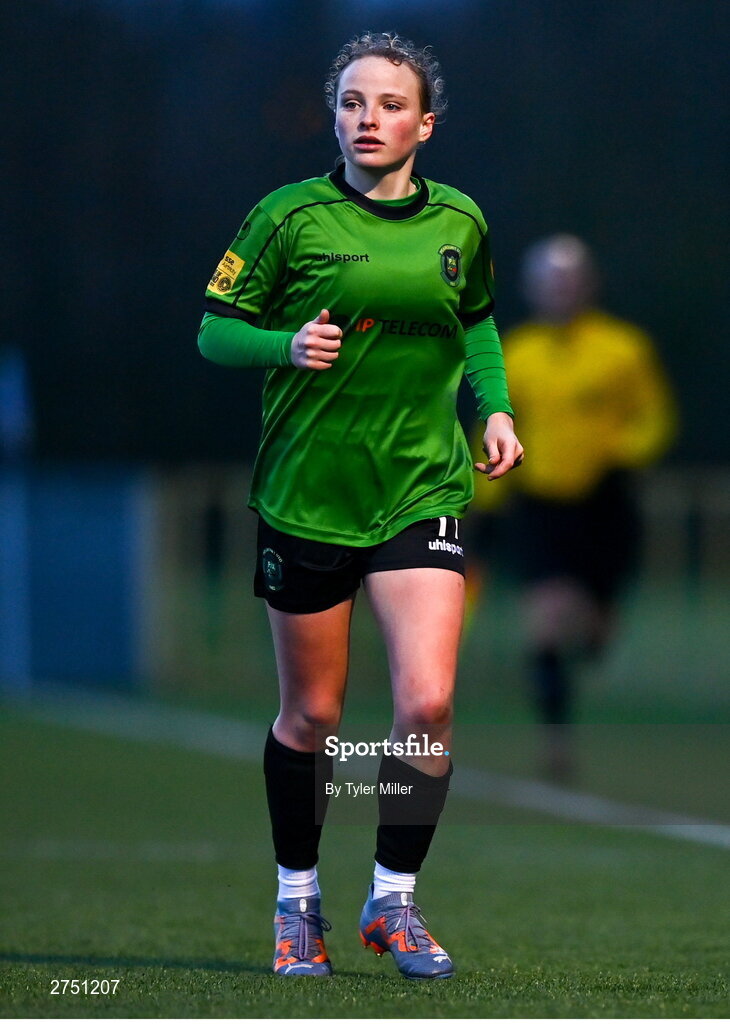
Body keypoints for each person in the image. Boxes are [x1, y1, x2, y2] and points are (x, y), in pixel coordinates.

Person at [198, 31, 523, 979]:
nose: (367, 119)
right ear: (333, 116)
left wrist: (496, 408)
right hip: (307, 494)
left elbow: (478, 321)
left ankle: (395, 901)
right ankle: (297, 905)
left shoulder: (460, 221)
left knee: (427, 701)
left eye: (388, 104)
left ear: (425, 122)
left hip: (422, 486)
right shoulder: (285, 217)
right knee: (314, 716)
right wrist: (282, 347)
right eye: (351, 103)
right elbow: (216, 331)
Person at [470, 234, 676, 779]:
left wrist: (625, 454)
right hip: (541, 506)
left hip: (605, 506)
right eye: (548, 282)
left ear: (588, 285)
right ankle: (556, 744)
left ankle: (594, 635)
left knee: (593, 634)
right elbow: (496, 426)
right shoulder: (517, 353)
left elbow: (653, 416)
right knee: (547, 618)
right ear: (533, 289)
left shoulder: (624, 348)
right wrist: (485, 501)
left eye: (569, 280)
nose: (560, 291)